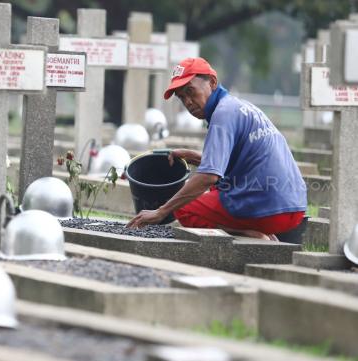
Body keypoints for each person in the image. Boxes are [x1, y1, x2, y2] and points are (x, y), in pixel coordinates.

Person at [127, 57, 307, 241]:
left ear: (212, 82)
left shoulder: (222, 115)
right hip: (295, 207)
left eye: (190, 91)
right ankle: (265, 233)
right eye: (182, 97)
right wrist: (196, 157)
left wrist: (161, 211)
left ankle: (253, 234)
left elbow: (208, 176)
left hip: (269, 209)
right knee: (215, 190)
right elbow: (237, 162)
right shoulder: (240, 107)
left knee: (183, 209)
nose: (188, 102)